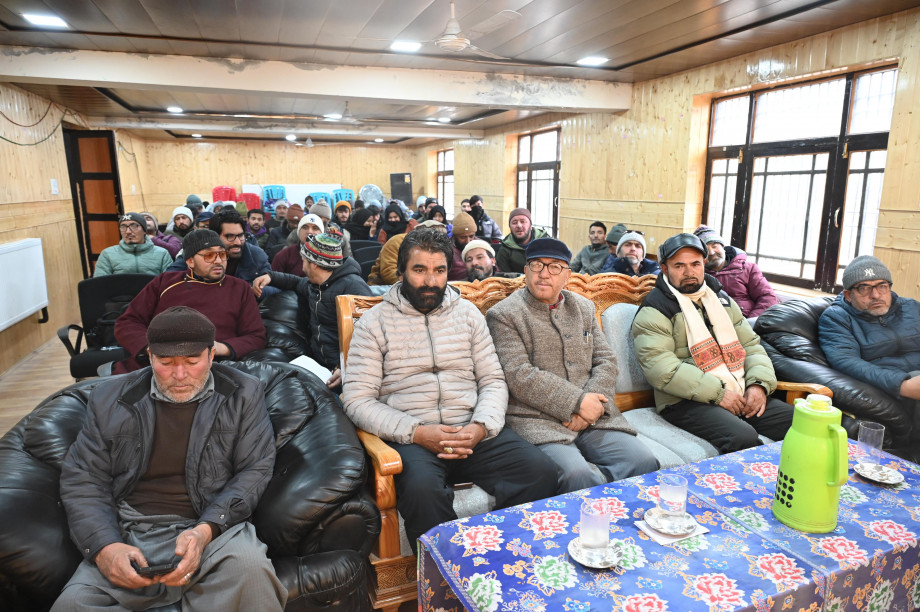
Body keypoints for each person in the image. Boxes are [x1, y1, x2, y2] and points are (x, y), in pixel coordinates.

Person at [52, 306, 285, 611]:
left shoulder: (243, 393)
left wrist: (205, 531)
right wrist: (104, 547)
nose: (179, 375)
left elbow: (254, 470)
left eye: (192, 362)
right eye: (165, 363)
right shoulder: (109, 398)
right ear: (149, 356)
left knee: (252, 573)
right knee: (72, 605)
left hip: (211, 526)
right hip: (129, 529)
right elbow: (84, 478)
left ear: (211, 356)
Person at [341, 228, 558, 551]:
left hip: (472, 429)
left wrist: (481, 426)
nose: (430, 281)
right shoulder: (374, 323)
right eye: (419, 270)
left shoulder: (468, 314)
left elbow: (493, 380)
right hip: (413, 436)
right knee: (422, 492)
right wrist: (416, 432)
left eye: (439, 270)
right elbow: (357, 400)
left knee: (539, 472)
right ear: (401, 272)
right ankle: (445, 585)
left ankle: (505, 557)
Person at [487, 238, 659, 492]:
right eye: (536, 265)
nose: (544, 274)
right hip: (538, 421)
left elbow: (606, 360)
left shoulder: (583, 307)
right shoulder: (504, 314)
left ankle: (619, 526)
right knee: (576, 475)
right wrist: (577, 403)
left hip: (594, 417)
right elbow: (519, 375)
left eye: (555, 267)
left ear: (567, 275)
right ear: (526, 271)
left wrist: (592, 406)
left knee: (642, 462)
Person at [631, 233, 793, 454]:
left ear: (704, 264)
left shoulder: (721, 299)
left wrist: (758, 385)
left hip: (739, 388)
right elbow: (662, 370)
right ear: (665, 269)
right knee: (742, 437)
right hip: (684, 401)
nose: (689, 272)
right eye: (679, 266)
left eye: (695, 264)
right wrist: (718, 393)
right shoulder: (655, 309)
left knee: (800, 423)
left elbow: (752, 346)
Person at [114, 229, 266, 374]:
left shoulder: (240, 288)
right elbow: (127, 322)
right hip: (160, 362)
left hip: (213, 365)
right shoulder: (165, 282)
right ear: (190, 261)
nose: (218, 261)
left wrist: (220, 348)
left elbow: (256, 336)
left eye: (222, 254)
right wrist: (149, 348)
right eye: (209, 256)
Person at [818, 255, 920, 440]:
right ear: (848, 295)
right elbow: (846, 362)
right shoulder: (836, 318)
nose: (875, 295)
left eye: (882, 286)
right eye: (864, 288)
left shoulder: (912, 308)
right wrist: (902, 384)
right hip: (890, 386)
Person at [254, 233, 373, 389]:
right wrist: (270, 276)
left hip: (348, 372)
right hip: (320, 367)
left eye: (304, 260)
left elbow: (370, 335)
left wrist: (345, 366)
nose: (302, 265)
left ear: (315, 264)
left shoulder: (353, 287)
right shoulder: (314, 284)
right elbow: (295, 282)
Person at [168, 210, 271, 289]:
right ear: (215, 236)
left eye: (240, 236)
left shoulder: (257, 256)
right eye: (230, 236)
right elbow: (169, 279)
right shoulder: (196, 253)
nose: (238, 242)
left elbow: (270, 286)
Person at [695, 228, 778, 318]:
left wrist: (751, 323)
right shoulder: (698, 275)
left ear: (722, 247)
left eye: (715, 246)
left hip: (749, 322)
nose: (711, 252)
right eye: (706, 250)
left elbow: (767, 297)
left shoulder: (748, 269)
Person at [94, 213, 172, 277]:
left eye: (133, 226)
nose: (128, 231)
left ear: (145, 231)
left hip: (153, 295)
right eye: (123, 227)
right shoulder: (108, 254)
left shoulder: (162, 253)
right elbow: (100, 284)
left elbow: (169, 282)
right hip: (120, 295)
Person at [496, 208, 548, 274]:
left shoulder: (546, 243)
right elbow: (506, 279)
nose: (519, 225)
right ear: (510, 227)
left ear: (530, 226)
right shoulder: (504, 250)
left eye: (523, 221)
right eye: (514, 223)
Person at [448, 211, 478, 281]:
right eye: (463, 237)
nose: (468, 241)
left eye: (471, 236)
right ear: (454, 236)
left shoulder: (482, 246)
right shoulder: (446, 250)